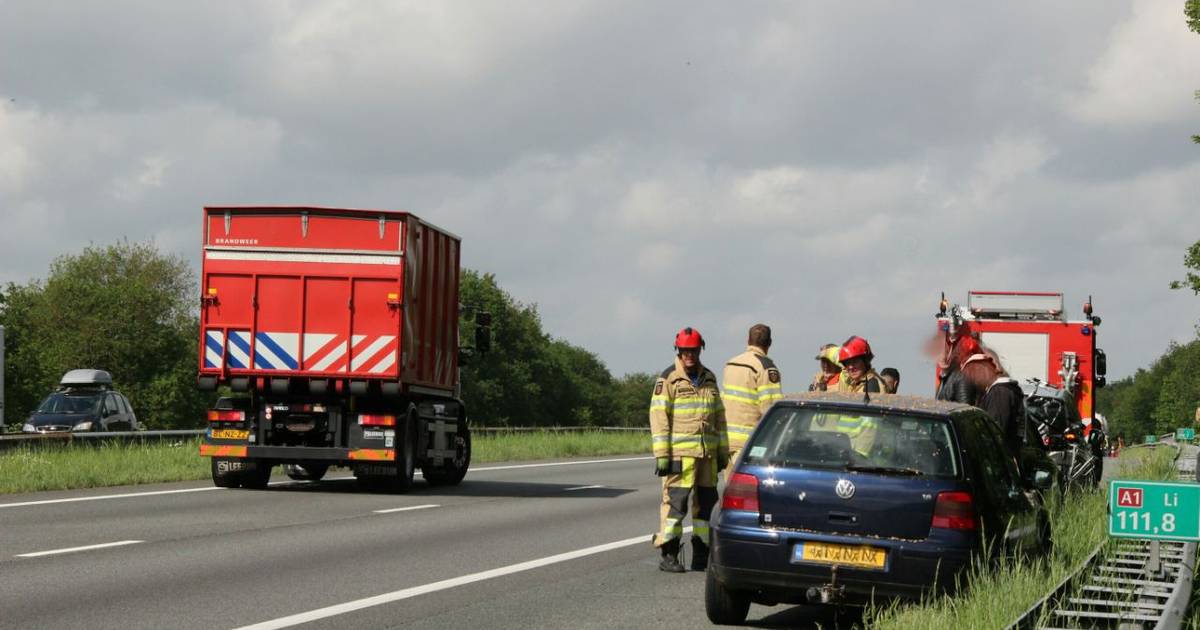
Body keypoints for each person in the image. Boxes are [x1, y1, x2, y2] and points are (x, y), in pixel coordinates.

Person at [649, 327, 728, 573]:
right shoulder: (669, 378)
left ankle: (701, 552)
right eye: (684, 351)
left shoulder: (710, 378)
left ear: (699, 349)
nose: (689, 356)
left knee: (706, 506)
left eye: (693, 351)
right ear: (678, 351)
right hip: (679, 457)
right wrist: (662, 454)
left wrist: (723, 450)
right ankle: (669, 553)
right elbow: (658, 416)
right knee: (676, 505)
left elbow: (719, 417)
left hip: (707, 456)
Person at [722, 324, 782, 473]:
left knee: (730, 491)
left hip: (726, 440)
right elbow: (772, 411)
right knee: (745, 492)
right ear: (769, 343)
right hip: (749, 444)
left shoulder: (731, 363)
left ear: (748, 340)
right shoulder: (766, 368)